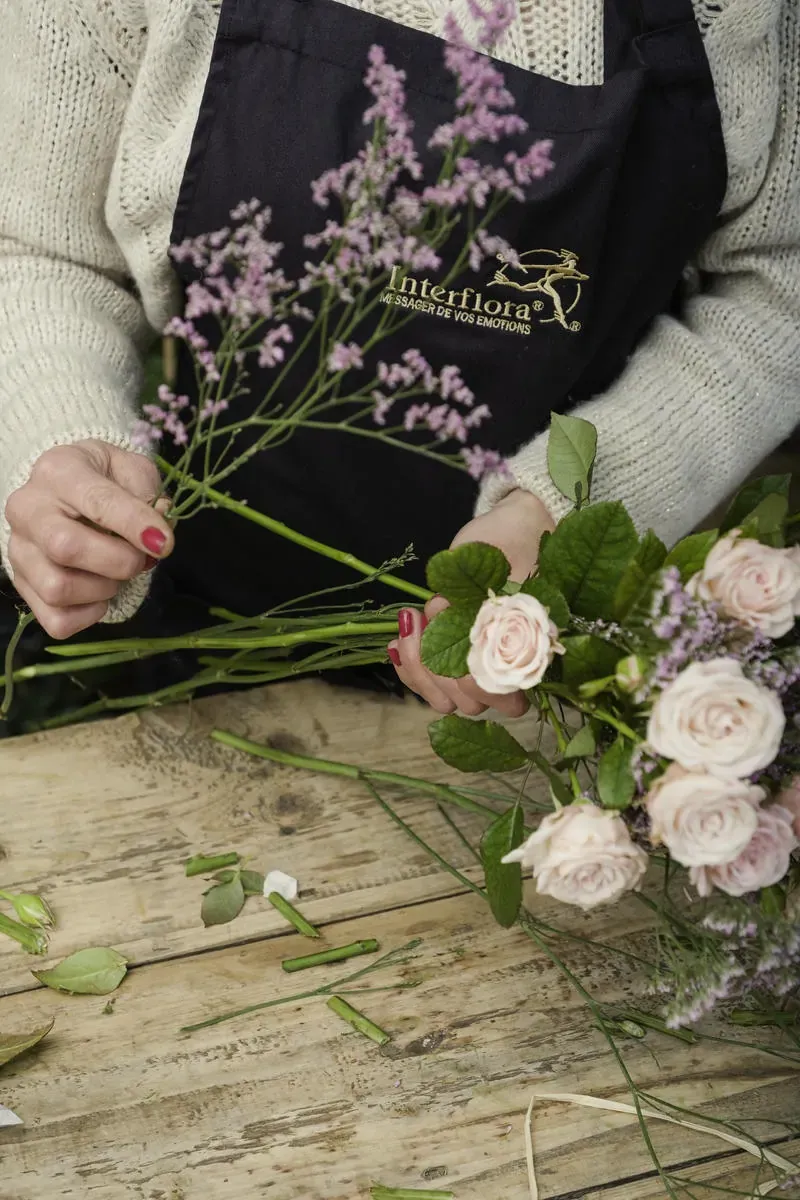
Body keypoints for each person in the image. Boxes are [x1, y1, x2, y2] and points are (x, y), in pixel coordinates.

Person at [0, 0, 797, 720]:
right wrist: (66, 450)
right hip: (185, 628)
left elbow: (779, 290)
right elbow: (33, 250)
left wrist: (568, 511)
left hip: (562, 688)